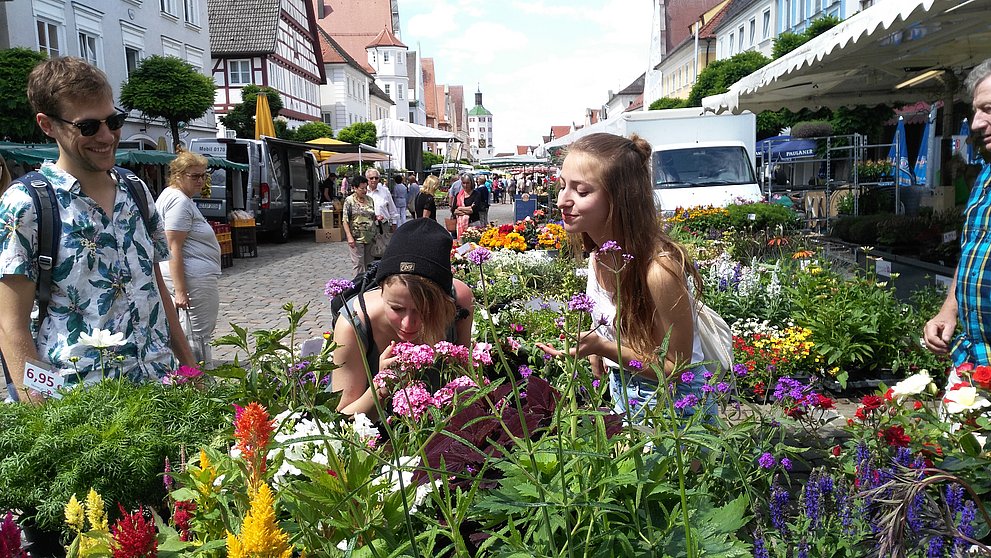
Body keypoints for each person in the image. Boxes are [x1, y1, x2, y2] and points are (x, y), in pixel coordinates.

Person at [0, 57, 194, 402]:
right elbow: (11, 326)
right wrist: (41, 417)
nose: (107, 136)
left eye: (113, 121)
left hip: (161, 390)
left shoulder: (135, 189)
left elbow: (155, 287)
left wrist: (190, 369)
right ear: (47, 125)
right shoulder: (27, 203)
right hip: (82, 408)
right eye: (88, 127)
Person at [536, 132, 712, 421]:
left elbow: (676, 369)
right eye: (562, 186)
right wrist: (596, 351)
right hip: (627, 395)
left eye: (581, 191)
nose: (562, 201)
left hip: (676, 414)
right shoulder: (599, 255)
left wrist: (604, 348)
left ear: (619, 200)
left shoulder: (659, 270)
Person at [332, 218, 475, 418]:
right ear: (381, 291)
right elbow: (341, 420)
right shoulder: (354, 324)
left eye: (425, 310)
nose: (408, 323)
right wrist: (381, 386)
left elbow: (464, 378)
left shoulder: (459, 301)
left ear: (443, 301)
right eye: (397, 308)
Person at [924, 59, 991, 382]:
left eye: (988, 109)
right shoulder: (985, 178)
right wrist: (948, 310)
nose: (977, 123)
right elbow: (973, 254)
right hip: (973, 360)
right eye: (976, 110)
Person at [157, 151, 223, 368]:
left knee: (190, 332)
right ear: (178, 175)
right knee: (198, 334)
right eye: (194, 176)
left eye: (203, 175)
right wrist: (180, 290)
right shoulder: (179, 202)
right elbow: (173, 246)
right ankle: (201, 383)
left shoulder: (174, 196)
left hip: (191, 276)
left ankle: (191, 379)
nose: (201, 181)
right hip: (192, 279)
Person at [342, 175, 377, 276]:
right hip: (356, 237)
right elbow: (345, 220)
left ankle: (369, 287)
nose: (365, 190)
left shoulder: (370, 200)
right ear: (355, 188)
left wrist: (377, 218)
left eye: (366, 188)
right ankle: (358, 287)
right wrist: (349, 237)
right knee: (358, 264)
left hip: (370, 237)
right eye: (362, 188)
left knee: (370, 265)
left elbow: (372, 215)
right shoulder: (349, 201)